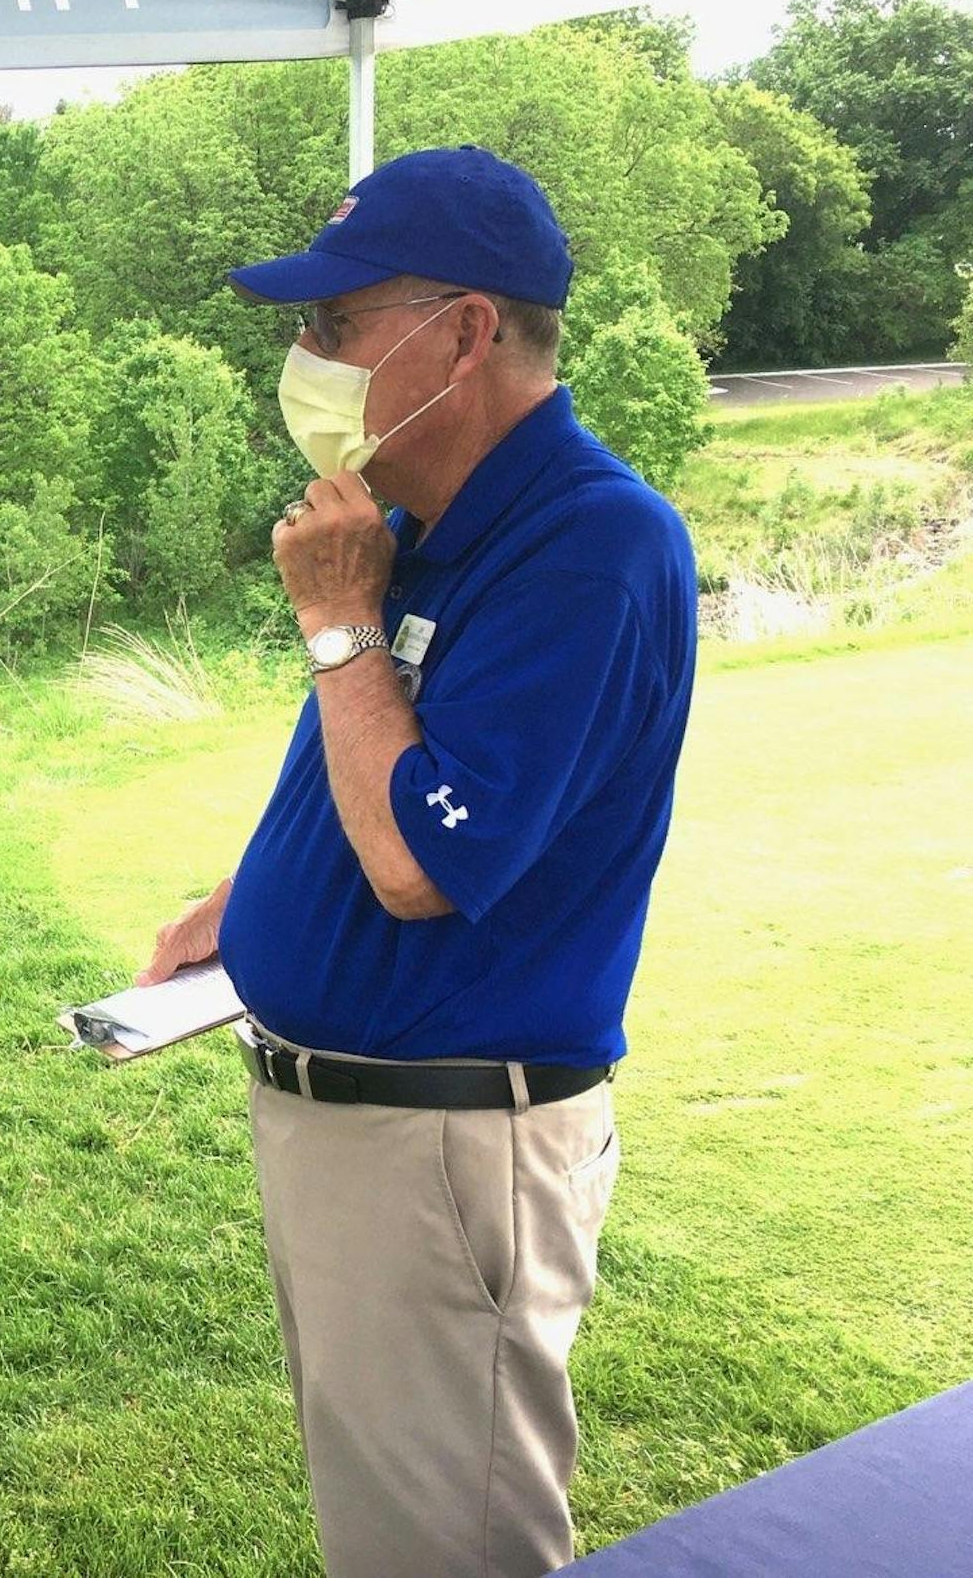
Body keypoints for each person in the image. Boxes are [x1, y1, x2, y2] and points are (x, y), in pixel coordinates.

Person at [140, 148, 696, 1578]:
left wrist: (338, 626)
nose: (302, 359)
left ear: (463, 335)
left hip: (449, 1149)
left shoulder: (591, 546)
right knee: (381, 1526)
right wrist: (248, 899)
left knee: (445, 1548)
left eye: (334, 325)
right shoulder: (422, 533)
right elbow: (366, 779)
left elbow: (421, 866)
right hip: (358, 1130)